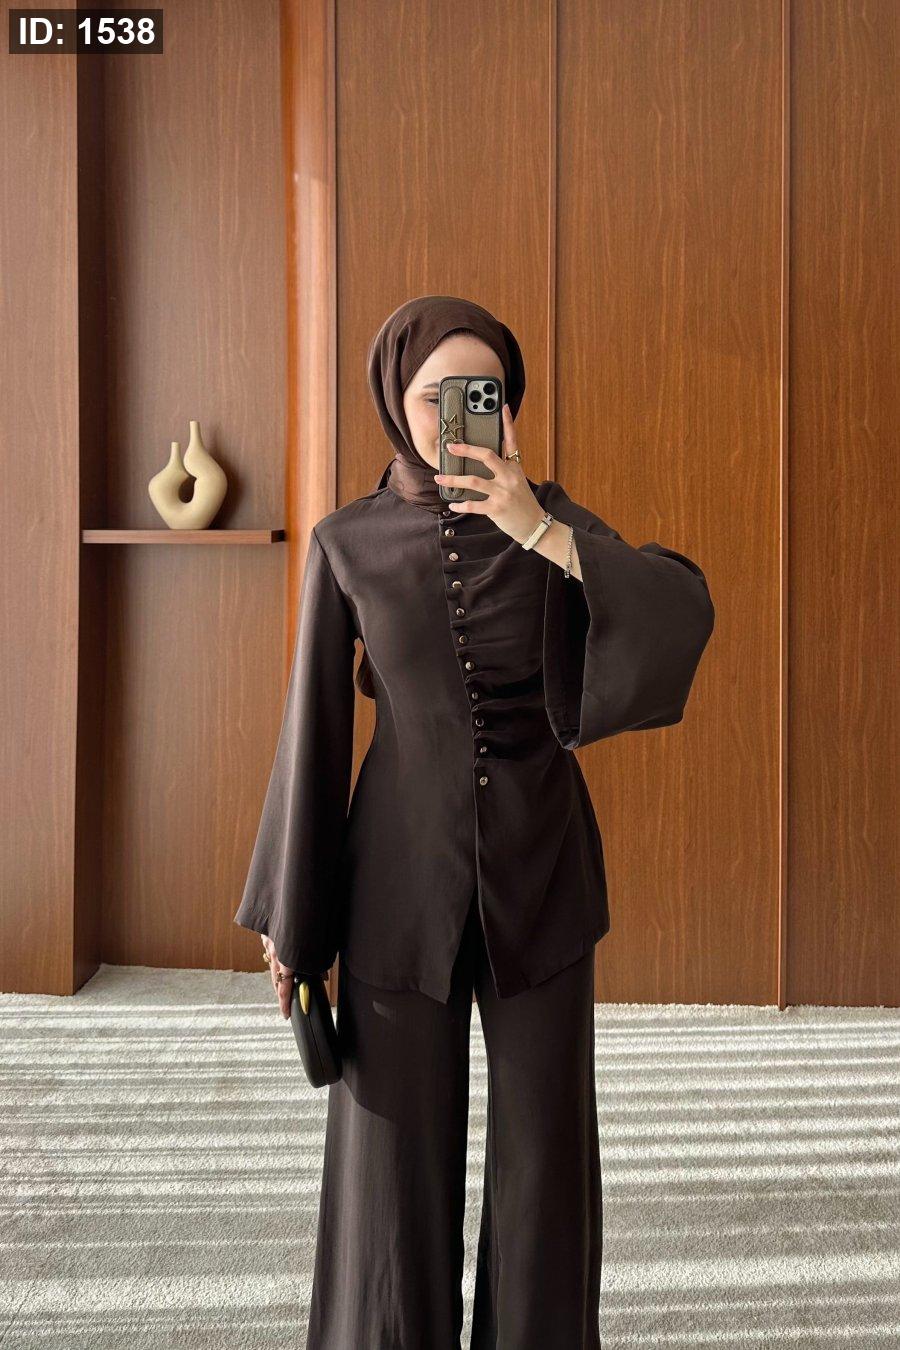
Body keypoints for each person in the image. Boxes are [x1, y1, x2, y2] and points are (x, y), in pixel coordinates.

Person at [234, 295, 715, 1348]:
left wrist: (539, 529)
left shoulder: (552, 522)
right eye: (435, 395)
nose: (458, 414)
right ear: (394, 404)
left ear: (508, 406)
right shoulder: (346, 545)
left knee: (545, 1162)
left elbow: (681, 611)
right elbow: (314, 732)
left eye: (482, 394)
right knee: (389, 1172)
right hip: (396, 883)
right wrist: (294, 925)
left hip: (543, 877)